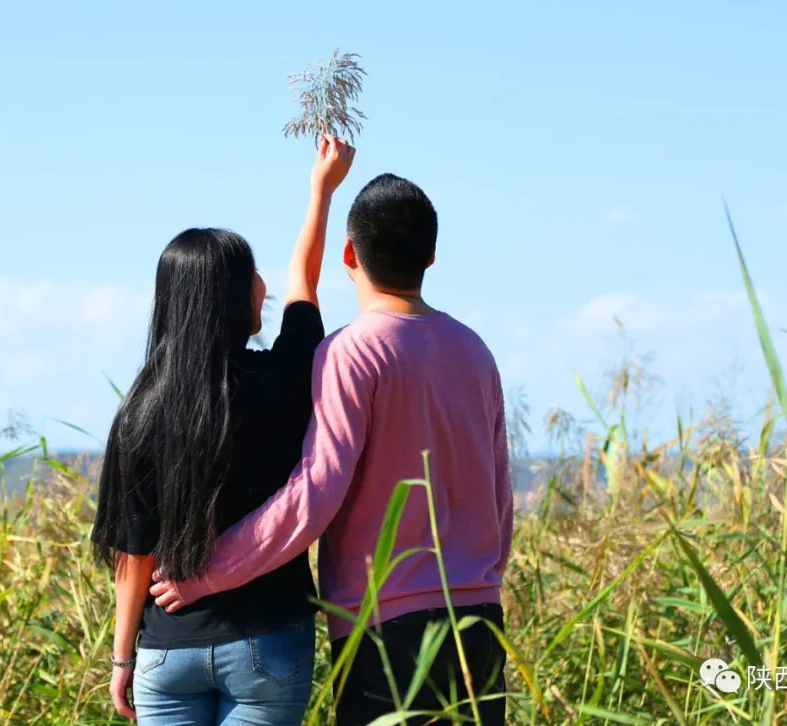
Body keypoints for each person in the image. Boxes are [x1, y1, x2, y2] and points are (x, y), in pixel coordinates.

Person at [150, 172, 514, 725]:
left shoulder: (350, 353)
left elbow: (314, 494)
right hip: (479, 618)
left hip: (386, 629)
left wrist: (208, 572)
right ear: (432, 255)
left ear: (350, 252)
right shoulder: (475, 352)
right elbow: (500, 497)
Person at [89, 136, 356, 725]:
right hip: (268, 638)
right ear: (233, 298)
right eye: (252, 274)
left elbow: (135, 555)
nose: (265, 283)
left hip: (166, 648)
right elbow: (305, 285)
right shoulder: (284, 377)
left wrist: (120, 658)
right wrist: (321, 191)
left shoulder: (141, 411)